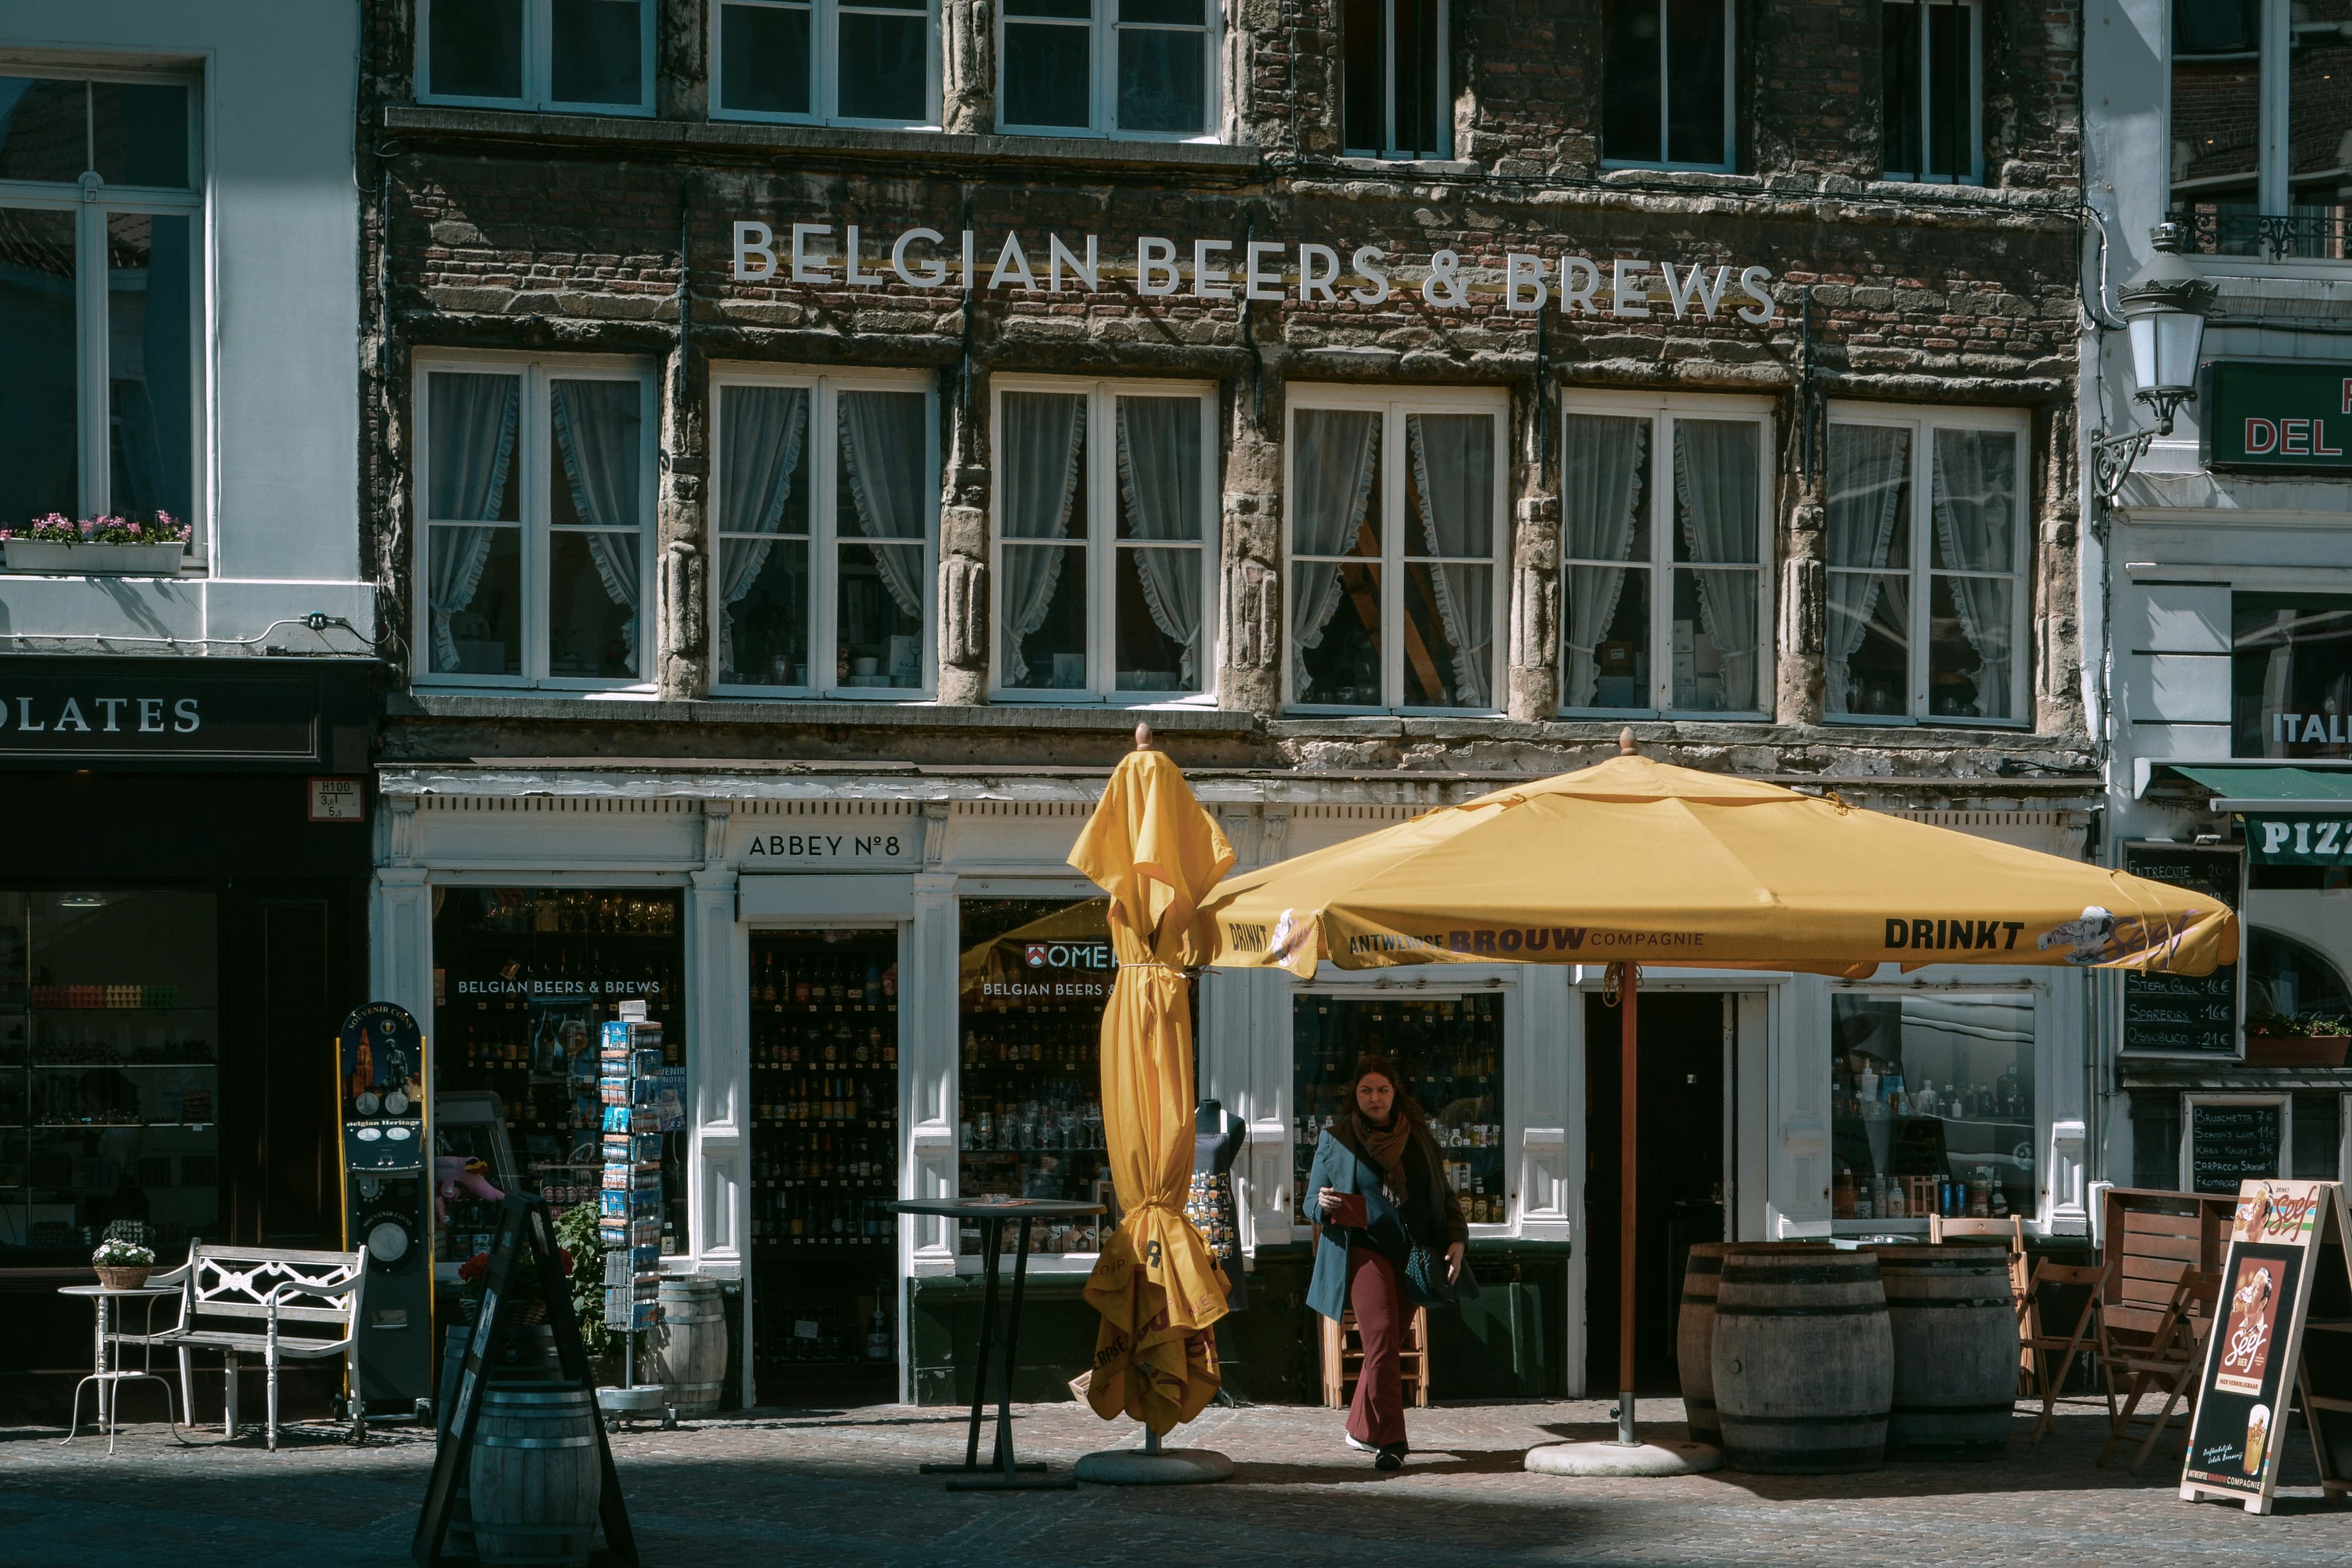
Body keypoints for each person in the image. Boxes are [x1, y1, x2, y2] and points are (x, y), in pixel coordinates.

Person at [1304, 1057, 1468, 1471]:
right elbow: (1310, 1204)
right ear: (1355, 1095)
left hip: (1414, 1255)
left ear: (1396, 1094)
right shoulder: (1336, 1139)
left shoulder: (1419, 1136)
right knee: (1379, 1340)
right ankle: (1393, 1442)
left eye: (1382, 1090)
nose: (1374, 1099)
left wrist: (1457, 1238)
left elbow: (1444, 1194)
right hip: (1364, 1252)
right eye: (1366, 1091)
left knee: (1387, 1346)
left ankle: (1361, 1428)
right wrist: (1323, 1205)